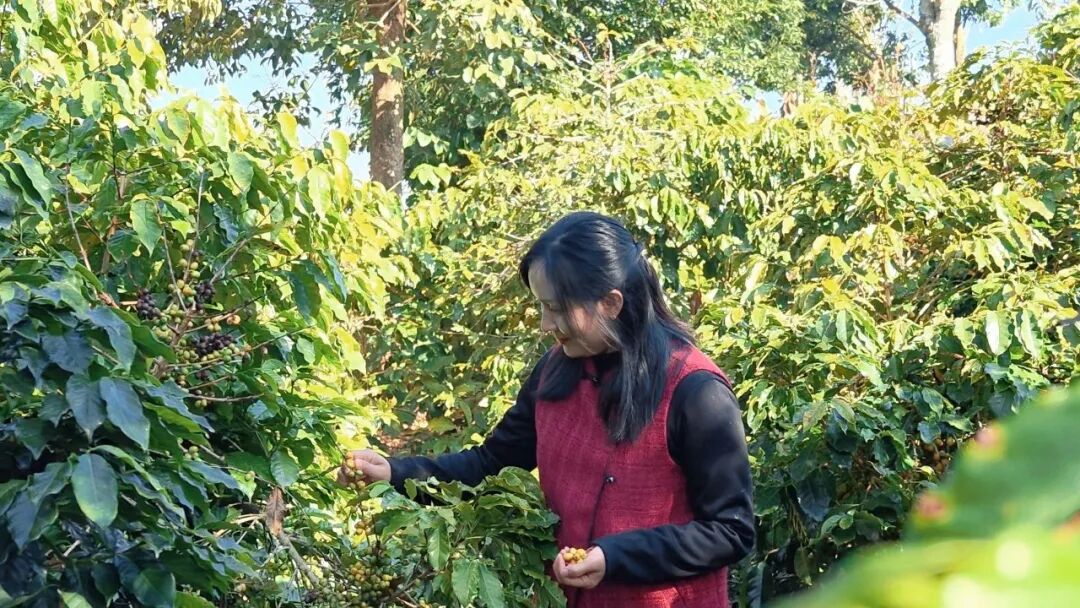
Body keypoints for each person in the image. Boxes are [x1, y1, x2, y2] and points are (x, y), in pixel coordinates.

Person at [338, 211, 754, 607]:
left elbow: (730, 531)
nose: (545, 324)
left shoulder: (696, 391)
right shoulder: (556, 370)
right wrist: (395, 473)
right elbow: (492, 464)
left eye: (556, 308)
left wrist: (615, 556)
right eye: (542, 306)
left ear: (611, 303)